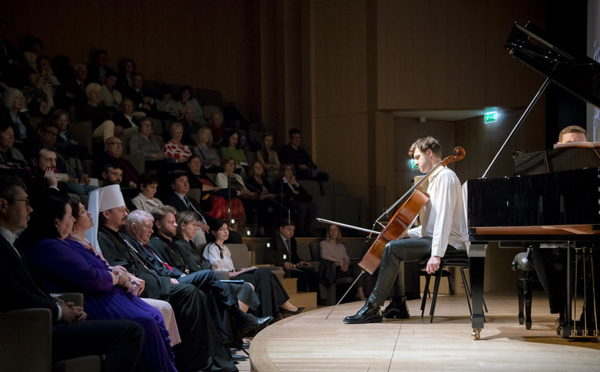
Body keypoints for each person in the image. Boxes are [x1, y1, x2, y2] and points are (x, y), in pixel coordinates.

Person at [0, 177, 145, 372]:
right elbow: (14, 294)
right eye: (25, 202)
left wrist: (58, 303)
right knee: (131, 331)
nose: (30, 209)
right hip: (30, 330)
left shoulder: (13, 242)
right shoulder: (17, 245)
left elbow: (29, 289)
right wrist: (59, 311)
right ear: (3, 205)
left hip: (43, 319)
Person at [20, 194, 178, 372]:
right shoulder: (50, 246)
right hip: (95, 300)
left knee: (152, 316)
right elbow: (90, 276)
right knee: (145, 321)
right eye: (71, 215)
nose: (72, 220)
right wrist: (117, 277)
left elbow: (97, 269)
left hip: (105, 295)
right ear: (57, 222)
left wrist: (117, 274)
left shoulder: (59, 244)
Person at [92, 185, 239, 372]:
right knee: (190, 291)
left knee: (201, 293)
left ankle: (213, 356)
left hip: (153, 281)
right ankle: (196, 361)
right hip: (142, 287)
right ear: (106, 213)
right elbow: (127, 271)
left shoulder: (119, 237)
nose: (125, 213)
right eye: (121, 210)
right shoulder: (103, 237)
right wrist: (164, 281)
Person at [344, 136, 467, 324]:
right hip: (436, 239)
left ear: (430, 153)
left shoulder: (445, 177)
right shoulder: (434, 181)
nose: (415, 162)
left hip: (450, 243)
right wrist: (406, 233)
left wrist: (436, 254)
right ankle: (398, 304)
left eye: (417, 157)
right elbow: (430, 227)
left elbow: (444, 220)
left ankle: (372, 307)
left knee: (392, 249)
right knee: (394, 245)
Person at [530, 125, 595, 328]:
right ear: (558, 148)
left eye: (581, 146)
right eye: (569, 145)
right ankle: (562, 310)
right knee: (537, 253)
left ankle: (590, 314)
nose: (575, 151)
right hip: (554, 240)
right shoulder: (544, 174)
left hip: (592, 240)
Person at [204, 218, 304, 318]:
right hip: (227, 279)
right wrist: (240, 272)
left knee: (265, 272)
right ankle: (283, 306)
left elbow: (231, 268)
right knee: (261, 275)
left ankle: (279, 309)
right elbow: (220, 273)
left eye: (226, 229)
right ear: (213, 232)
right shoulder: (211, 248)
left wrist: (243, 270)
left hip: (234, 274)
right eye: (222, 229)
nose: (226, 232)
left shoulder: (225, 248)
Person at [266, 219, 319, 293]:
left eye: (293, 230)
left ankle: (316, 301)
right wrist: (283, 263)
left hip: (293, 267)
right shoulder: (273, 241)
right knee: (303, 276)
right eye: (288, 229)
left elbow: (294, 257)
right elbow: (268, 258)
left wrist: (300, 261)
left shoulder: (292, 241)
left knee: (314, 274)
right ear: (281, 229)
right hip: (282, 269)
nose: (291, 232)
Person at [320, 224, 365, 301]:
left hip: (344, 268)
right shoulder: (324, 243)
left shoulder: (341, 246)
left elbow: (346, 259)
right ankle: (360, 294)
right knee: (356, 271)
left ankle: (360, 292)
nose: (334, 232)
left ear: (338, 232)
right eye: (331, 230)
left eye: (335, 230)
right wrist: (338, 261)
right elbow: (324, 256)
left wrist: (346, 265)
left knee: (358, 265)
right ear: (328, 232)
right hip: (334, 269)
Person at [273, 163, 317, 237]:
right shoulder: (280, 181)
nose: (289, 171)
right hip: (287, 202)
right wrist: (292, 192)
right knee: (302, 206)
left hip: (298, 200)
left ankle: (307, 229)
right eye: (287, 169)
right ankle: (300, 231)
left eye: (291, 169)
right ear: (283, 171)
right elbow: (280, 192)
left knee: (313, 206)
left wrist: (296, 184)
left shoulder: (294, 181)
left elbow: (304, 193)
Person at [245, 161, 277, 236]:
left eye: (260, 167)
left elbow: (271, 193)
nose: (259, 169)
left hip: (266, 199)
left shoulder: (265, 181)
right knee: (262, 204)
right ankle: (261, 229)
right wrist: (265, 195)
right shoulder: (250, 180)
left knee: (277, 205)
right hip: (255, 201)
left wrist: (266, 195)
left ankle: (275, 229)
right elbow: (253, 193)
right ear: (252, 170)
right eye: (256, 167)